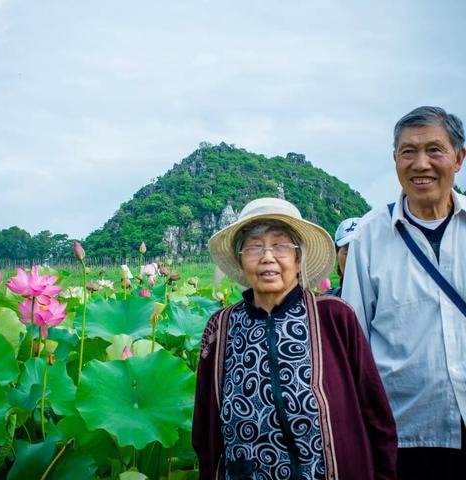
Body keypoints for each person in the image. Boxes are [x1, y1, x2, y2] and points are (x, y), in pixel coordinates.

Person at [192, 197, 397, 480]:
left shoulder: (335, 317)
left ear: (299, 259)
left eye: (280, 245)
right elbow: (204, 429)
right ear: (240, 261)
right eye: (253, 246)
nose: (267, 256)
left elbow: (377, 415)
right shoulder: (220, 328)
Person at [342, 106, 466, 479]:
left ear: (459, 158)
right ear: (395, 159)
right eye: (408, 152)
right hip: (404, 433)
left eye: (434, 150)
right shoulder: (367, 238)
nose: (421, 163)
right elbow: (354, 342)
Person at [324, 217, 361, 297]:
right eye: (348, 253)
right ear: (337, 253)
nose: (355, 259)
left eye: (362, 252)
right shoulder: (327, 303)